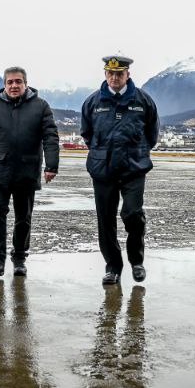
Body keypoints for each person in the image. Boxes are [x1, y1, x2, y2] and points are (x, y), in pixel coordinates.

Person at [0, 66, 60, 278]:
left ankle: (19, 258)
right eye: (10, 82)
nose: (14, 85)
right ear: (4, 85)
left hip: (27, 171)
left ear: (25, 84)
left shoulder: (41, 106)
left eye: (18, 81)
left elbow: (50, 137)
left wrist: (51, 165)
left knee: (23, 218)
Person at [80, 55, 160, 285]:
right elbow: (87, 133)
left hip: (133, 168)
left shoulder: (143, 101)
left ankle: (136, 260)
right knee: (105, 220)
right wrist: (100, 152)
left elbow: (152, 134)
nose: (115, 78)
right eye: (111, 73)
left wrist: (138, 152)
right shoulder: (93, 102)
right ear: (105, 74)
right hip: (102, 169)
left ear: (128, 75)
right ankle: (113, 267)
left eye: (119, 74)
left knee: (133, 214)